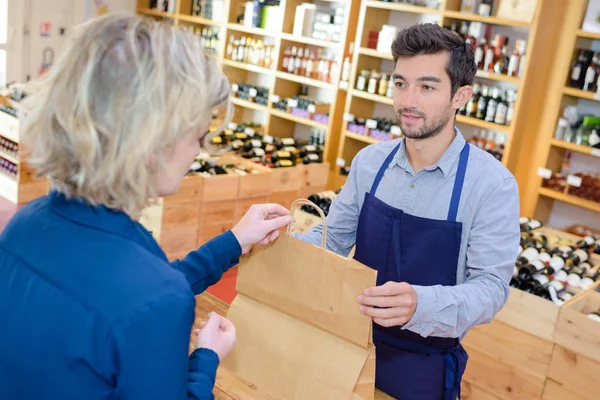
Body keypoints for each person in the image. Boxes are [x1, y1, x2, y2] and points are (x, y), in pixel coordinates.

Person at [0, 13, 292, 400]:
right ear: (152, 142)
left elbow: (122, 298)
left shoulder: (27, 225)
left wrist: (234, 241)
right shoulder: (154, 300)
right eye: (199, 136)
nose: (198, 151)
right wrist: (205, 360)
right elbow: (144, 301)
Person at [295, 23, 520, 400]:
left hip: (423, 369)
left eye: (427, 87)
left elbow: (491, 289)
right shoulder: (370, 162)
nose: (407, 101)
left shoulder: (492, 185)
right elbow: (332, 238)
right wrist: (287, 245)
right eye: (400, 84)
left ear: (460, 96)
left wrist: (422, 304)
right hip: (346, 344)